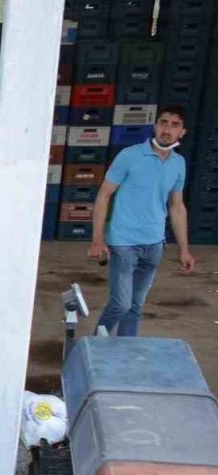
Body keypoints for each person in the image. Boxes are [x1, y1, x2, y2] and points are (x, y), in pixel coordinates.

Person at [88, 105, 196, 336]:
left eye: (174, 125)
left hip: (154, 243)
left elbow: (177, 207)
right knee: (122, 304)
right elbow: (104, 195)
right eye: (163, 123)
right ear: (155, 126)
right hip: (123, 241)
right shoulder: (129, 156)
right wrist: (98, 239)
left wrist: (184, 249)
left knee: (135, 307)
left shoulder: (178, 163)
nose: (167, 129)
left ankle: (126, 354)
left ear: (182, 132)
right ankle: (95, 345)